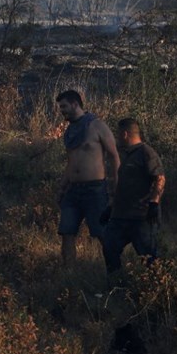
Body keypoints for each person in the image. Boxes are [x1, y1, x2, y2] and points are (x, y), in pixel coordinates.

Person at [56, 90, 120, 265]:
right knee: (67, 232)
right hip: (73, 190)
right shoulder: (69, 132)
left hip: (94, 189)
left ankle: (114, 272)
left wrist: (116, 186)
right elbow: (70, 163)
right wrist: (62, 188)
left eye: (64, 106)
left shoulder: (97, 126)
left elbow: (114, 155)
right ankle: (69, 276)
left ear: (75, 104)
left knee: (102, 233)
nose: (62, 111)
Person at [102, 118, 165, 277]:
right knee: (109, 247)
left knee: (149, 258)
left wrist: (154, 203)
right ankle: (117, 284)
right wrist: (111, 207)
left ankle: (156, 290)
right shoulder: (126, 155)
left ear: (125, 134)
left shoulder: (146, 153)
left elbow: (160, 178)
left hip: (141, 216)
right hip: (121, 216)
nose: (116, 138)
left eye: (118, 134)